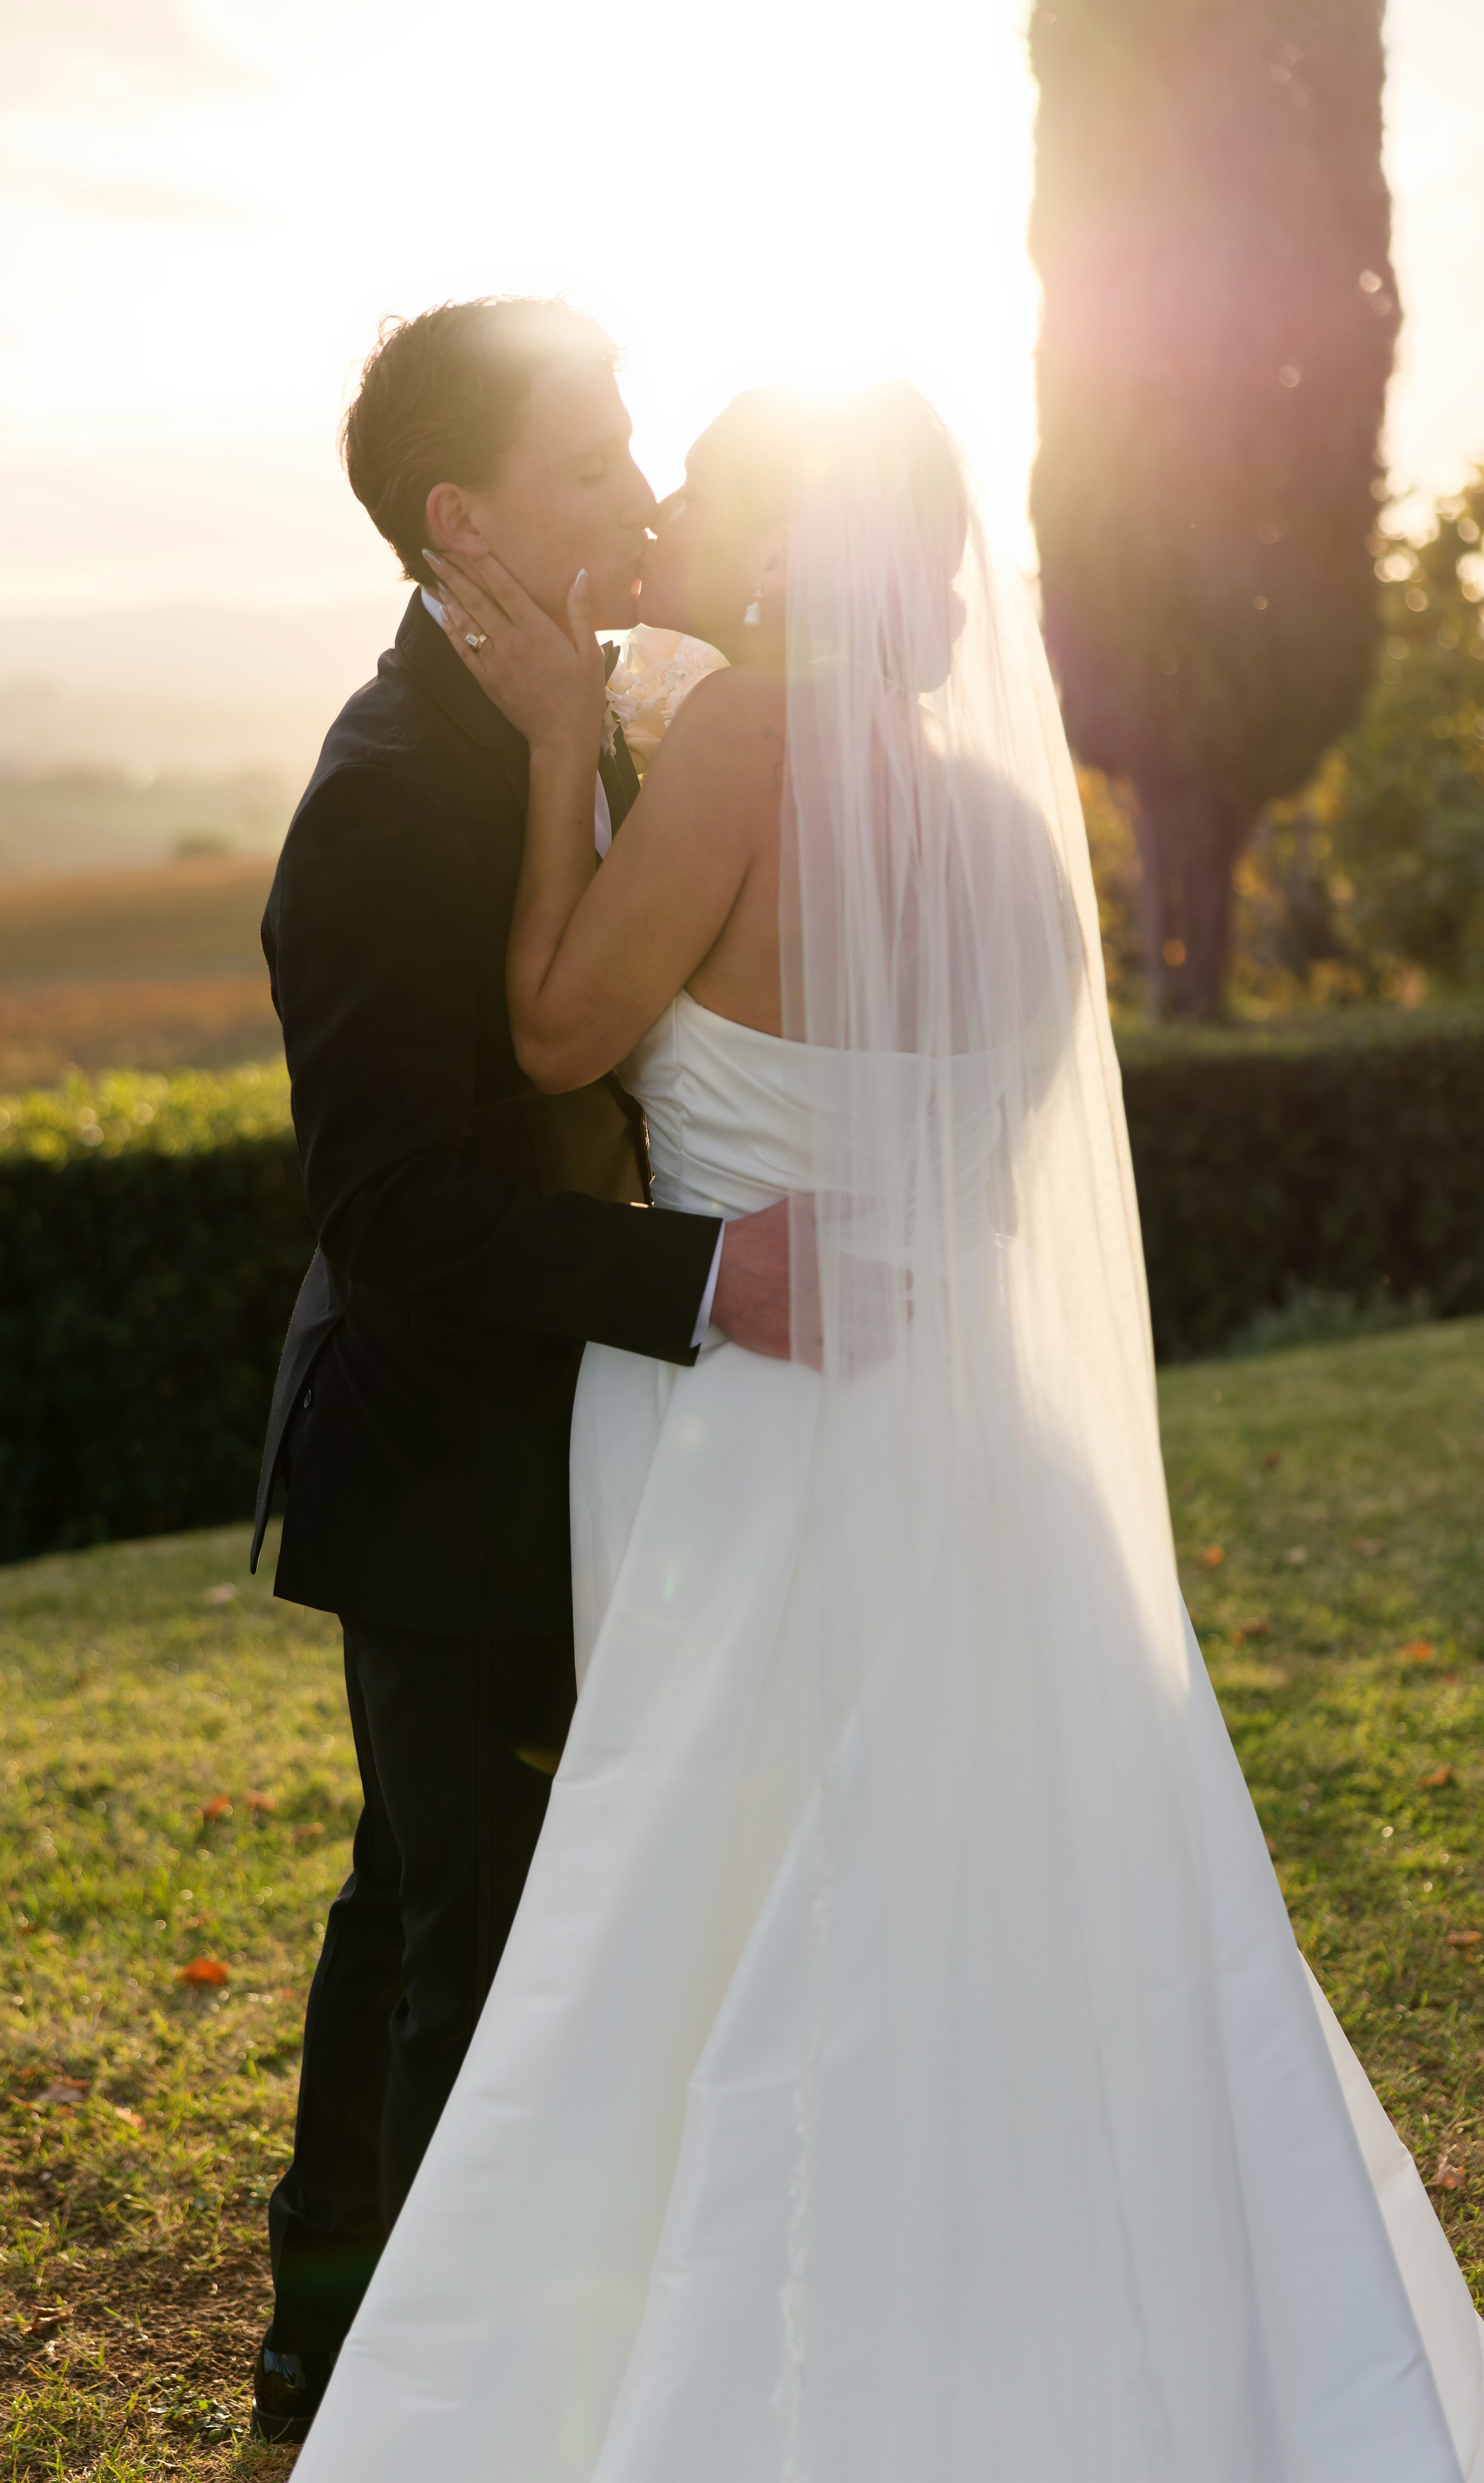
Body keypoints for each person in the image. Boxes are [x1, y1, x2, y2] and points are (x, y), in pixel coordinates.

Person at [289, 380, 1484, 2482]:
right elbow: (997, 1163)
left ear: (774, 546)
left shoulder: (740, 744)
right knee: (1011, 1915)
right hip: (984, 1442)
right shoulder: (1013, 837)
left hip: (754, 1425)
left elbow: (563, 1030)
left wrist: (573, 737)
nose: (662, 520)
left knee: (703, 1905)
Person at [246, 299, 793, 2444]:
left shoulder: (593, 716)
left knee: (452, 1905)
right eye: (595, 462)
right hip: (448, 1465)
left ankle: (353, 2349)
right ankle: (391, 2379)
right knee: (463, 1928)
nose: (644, 491)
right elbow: (399, 1219)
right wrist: (714, 1276)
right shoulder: (388, 802)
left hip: (593, 1434)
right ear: (463, 517)